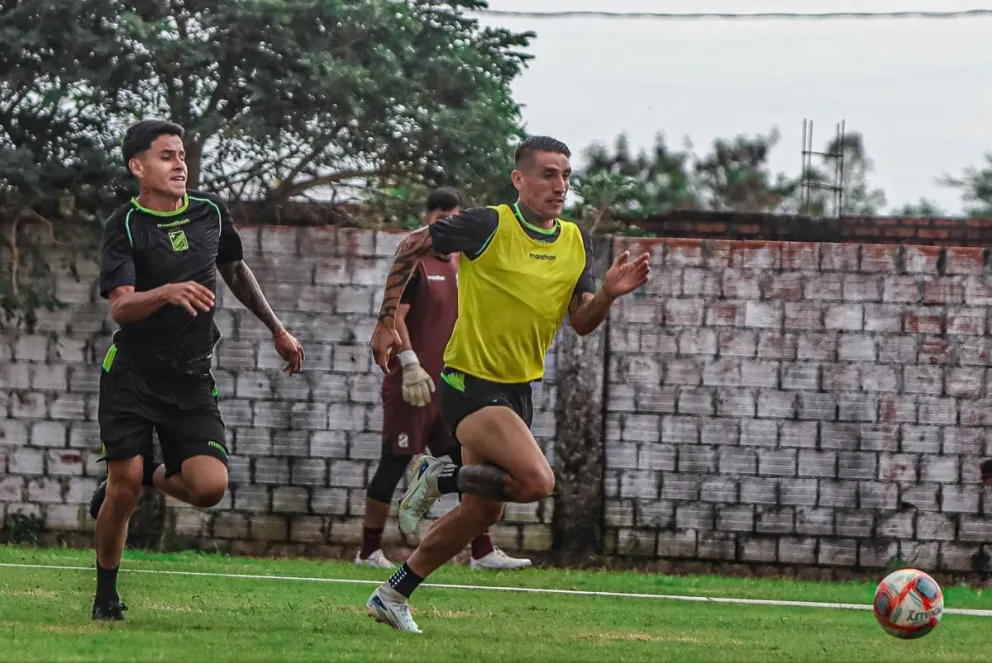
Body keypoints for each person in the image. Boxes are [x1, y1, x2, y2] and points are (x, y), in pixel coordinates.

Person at [365, 136, 651, 632]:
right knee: (538, 481)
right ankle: (439, 476)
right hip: (468, 382)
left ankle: (393, 593)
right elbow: (411, 244)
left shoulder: (573, 240)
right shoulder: (489, 223)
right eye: (547, 174)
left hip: (518, 391)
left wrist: (607, 293)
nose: (559, 185)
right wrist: (387, 321)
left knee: (482, 513)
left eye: (565, 174)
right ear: (519, 179)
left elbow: (581, 322)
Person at [89, 119, 305, 621]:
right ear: (137, 167)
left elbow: (234, 269)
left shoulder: (209, 213)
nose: (179, 164)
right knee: (121, 488)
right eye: (166, 156)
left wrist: (276, 328)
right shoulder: (124, 225)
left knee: (209, 487)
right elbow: (120, 308)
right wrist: (166, 292)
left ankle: (150, 475)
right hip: (133, 374)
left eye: (181, 155)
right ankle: (105, 597)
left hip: (190, 376)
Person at [357, 187, 531, 572]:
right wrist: (410, 364)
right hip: (413, 386)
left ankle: (482, 552)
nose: (445, 229)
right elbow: (396, 317)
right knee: (394, 462)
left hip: (452, 389)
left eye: (451, 220)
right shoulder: (416, 267)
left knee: (465, 463)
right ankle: (368, 550)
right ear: (427, 222)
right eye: (439, 221)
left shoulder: (462, 264)